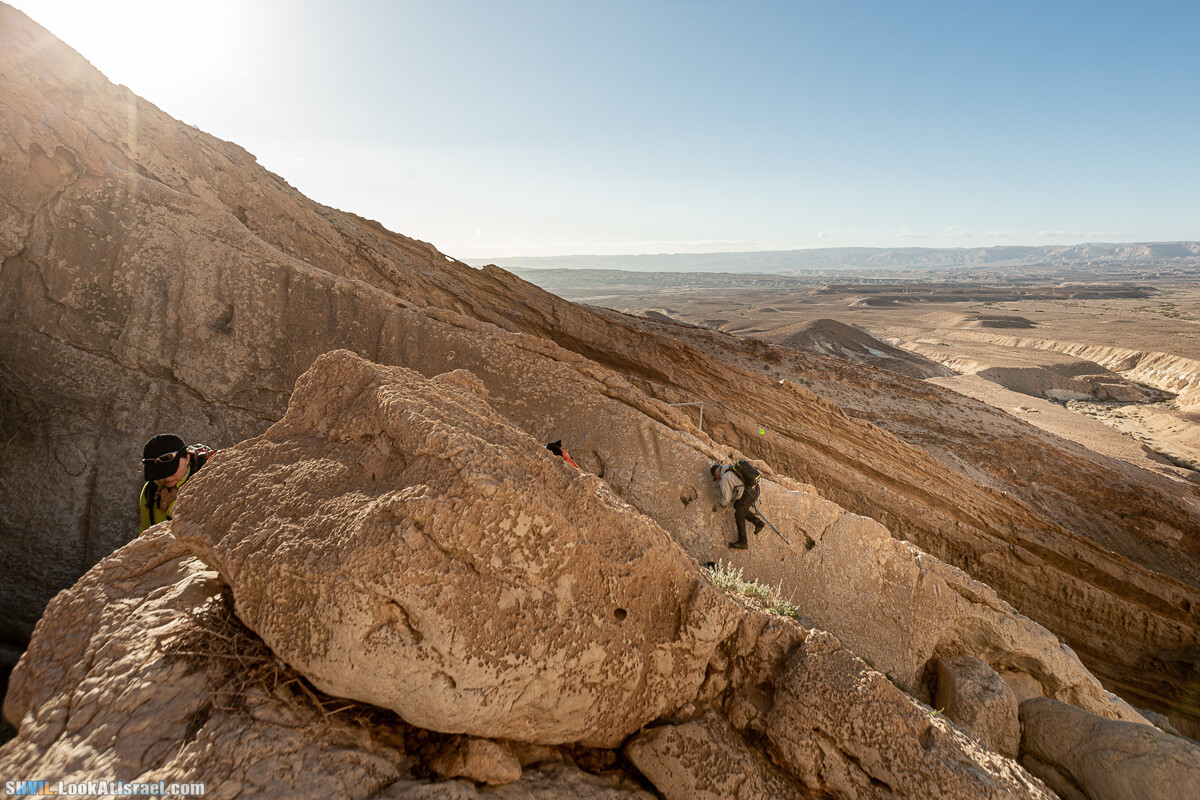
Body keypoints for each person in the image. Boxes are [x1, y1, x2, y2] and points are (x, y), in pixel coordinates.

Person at [139, 434, 214, 533]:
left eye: (171, 470)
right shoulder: (150, 490)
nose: (166, 477)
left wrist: (173, 505)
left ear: (187, 459)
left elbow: (205, 524)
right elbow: (145, 529)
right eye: (158, 473)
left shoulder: (207, 478)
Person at [711, 462, 765, 549]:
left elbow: (727, 498)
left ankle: (743, 542)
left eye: (715, 477)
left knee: (739, 515)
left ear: (717, 472)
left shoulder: (724, 478)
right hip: (755, 489)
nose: (717, 479)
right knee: (738, 506)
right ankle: (758, 523)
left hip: (748, 493)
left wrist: (722, 504)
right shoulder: (731, 468)